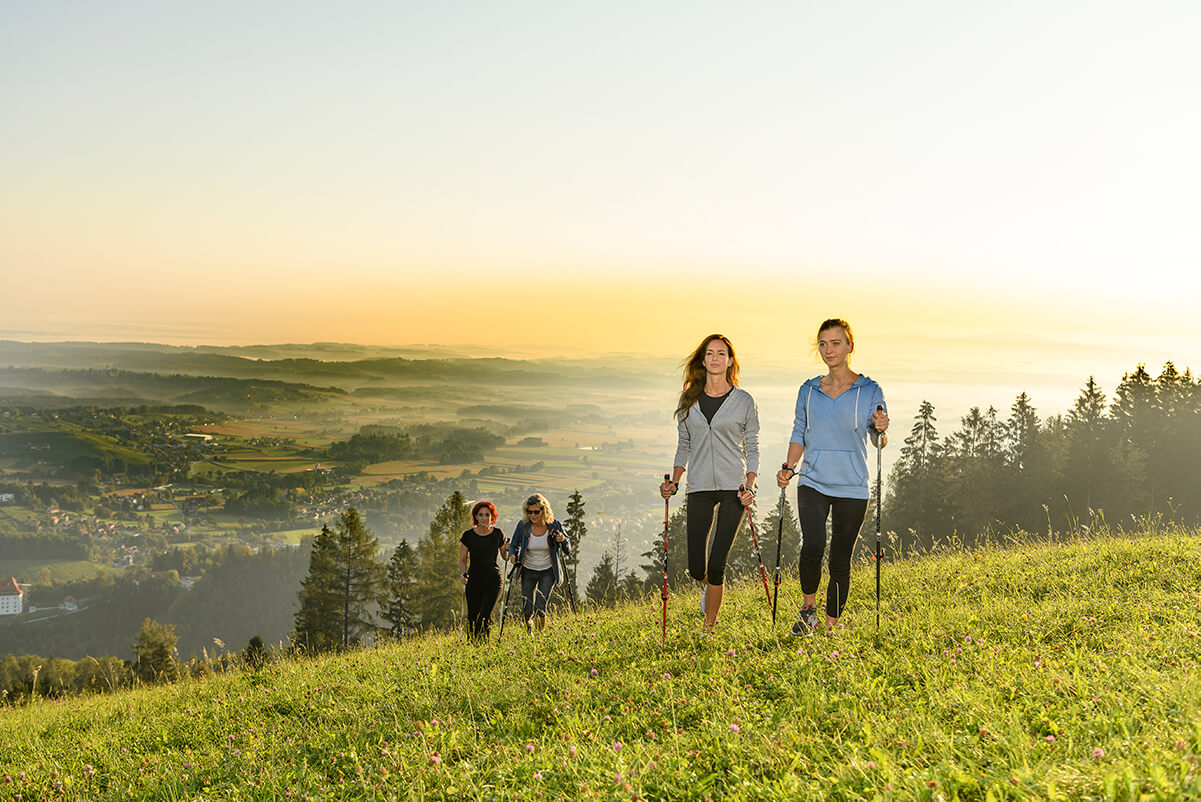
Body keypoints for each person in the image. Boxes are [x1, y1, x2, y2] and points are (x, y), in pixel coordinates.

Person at [776, 318, 888, 635]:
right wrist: (788, 466)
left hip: (852, 487)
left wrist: (881, 429)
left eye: (835, 343)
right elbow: (800, 431)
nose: (829, 350)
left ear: (850, 346)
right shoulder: (809, 390)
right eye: (823, 344)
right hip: (812, 480)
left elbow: (878, 441)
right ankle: (808, 611)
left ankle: (830, 627)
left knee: (840, 559)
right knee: (812, 544)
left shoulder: (870, 390)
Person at [659, 334, 760, 632]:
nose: (715, 358)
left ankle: (709, 627)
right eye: (710, 353)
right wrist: (675, 481)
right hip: (699, 485)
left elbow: (752, 448)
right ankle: (709, 588)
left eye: (722, 353)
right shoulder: (689, 399)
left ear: (730, 361)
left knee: (717, 565)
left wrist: (750, 485)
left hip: (734, 488)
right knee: (696, 567)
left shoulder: (743, 401)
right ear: (703, 360)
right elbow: (683, 445)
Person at [507, 493, 571, 633]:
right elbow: (514, 544)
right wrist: (512, 555)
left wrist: (562, 540)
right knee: (527, 606)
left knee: (541, 604)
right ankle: (529, 631)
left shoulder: (554, 525)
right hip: (528, 569)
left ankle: (540, 634)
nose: (533, 515)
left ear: (544, 511)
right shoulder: (523, 526)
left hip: (548, 571)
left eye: (536, 512)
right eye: (530, 512)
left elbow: (568, 549)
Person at [459, 500, 509, 641]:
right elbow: (462, 559)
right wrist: (463, 574)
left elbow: (504, 557)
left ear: (492, 516)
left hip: (493, 580)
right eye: (480, 515)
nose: (484, 518)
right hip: (473, 580)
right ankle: (472, 646)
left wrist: (508, 550)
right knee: (472, 618)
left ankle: (483, 646)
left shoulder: (498, 534)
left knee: (484, 615)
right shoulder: (468, 536)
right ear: (476, 517)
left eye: (487, 515)